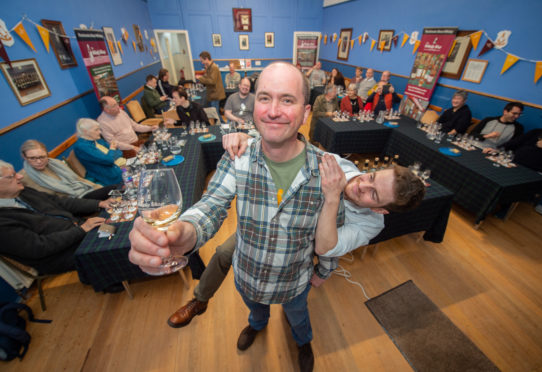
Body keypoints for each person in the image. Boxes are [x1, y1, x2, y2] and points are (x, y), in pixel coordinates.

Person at [129, 62, 342, 372]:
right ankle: (257, 325)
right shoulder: (239, 157)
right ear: (254, 105)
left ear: (306, 112)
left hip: (293, 281)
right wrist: (183, 233)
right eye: (265, 98)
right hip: (249, 276)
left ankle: (303, 341)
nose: (273, 110)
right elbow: (212, 203)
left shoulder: (327, 170)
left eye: (287, 99)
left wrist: (325, 270)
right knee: (256, 312)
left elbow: (336, 227)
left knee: (299, 317)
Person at [164, 133, 425, 333]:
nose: (360, 184)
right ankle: (205, 302)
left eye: (373, 194)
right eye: (371, 177)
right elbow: (294, 147)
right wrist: (249, 137)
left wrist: (323, 271)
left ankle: (301, 341)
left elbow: (328, 248)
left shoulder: (371, 224)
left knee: (297, 312)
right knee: (224, 252)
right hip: (271, 226)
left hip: (303, 250)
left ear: (381, 211)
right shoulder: (340, 165)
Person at [0, 159, 108, 275]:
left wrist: (98, 204)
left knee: (118, 227)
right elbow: (39, 247)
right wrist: (81, 230)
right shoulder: (2, 222)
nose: (20, 176)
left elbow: (60, 202)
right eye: (12, 176)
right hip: (58, 255)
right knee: (111, 246)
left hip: (78, 231)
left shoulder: (24, 191)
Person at [20, 140, 117, 200]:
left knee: (115, 189)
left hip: (83, 191)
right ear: (24, 157)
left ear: (47, 154)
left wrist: (97, 187)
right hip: (72, 202)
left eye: (42, 157)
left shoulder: (56, 163)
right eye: (32, 158)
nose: (39, 161)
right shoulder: (24, 178)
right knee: (114, 189)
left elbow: (78, 179)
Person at [483, 110, 542, 176]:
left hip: (536, 173)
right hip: (514, 164)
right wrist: (498, 149)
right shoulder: (537, 132)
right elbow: (516, 142)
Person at [74, 118, 125, 186]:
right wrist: (112, 150)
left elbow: (119, 152)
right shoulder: (82, 147)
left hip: (120, 169)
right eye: (96, 130)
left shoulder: (96, 139)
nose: (100, 132)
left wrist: (111, 154)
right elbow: (109, 160)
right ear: (85, 131)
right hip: (112, 179)